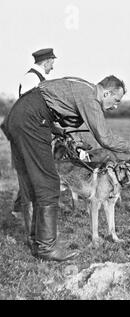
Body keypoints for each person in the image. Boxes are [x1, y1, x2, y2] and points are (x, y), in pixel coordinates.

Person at [0, 76, 130, 262]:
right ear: (106, 92)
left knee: (30, 183)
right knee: (49, 182)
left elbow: (46, 98)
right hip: (31, 120)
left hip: (18, 116)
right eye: (116, 100)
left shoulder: (84, 87)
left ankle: (35, 241)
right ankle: (46, 248)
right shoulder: (90, 98)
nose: (115, 106)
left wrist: (56, 130)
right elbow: (105, 139)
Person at [11, 48, 57, 219]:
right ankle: (20, 209)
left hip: (38, 129)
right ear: (46, 61)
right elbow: (29, 106)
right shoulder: (31, 78)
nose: (52, 66)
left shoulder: (41, 78)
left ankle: (21, 209)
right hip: (30, 131)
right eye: (52, 62)